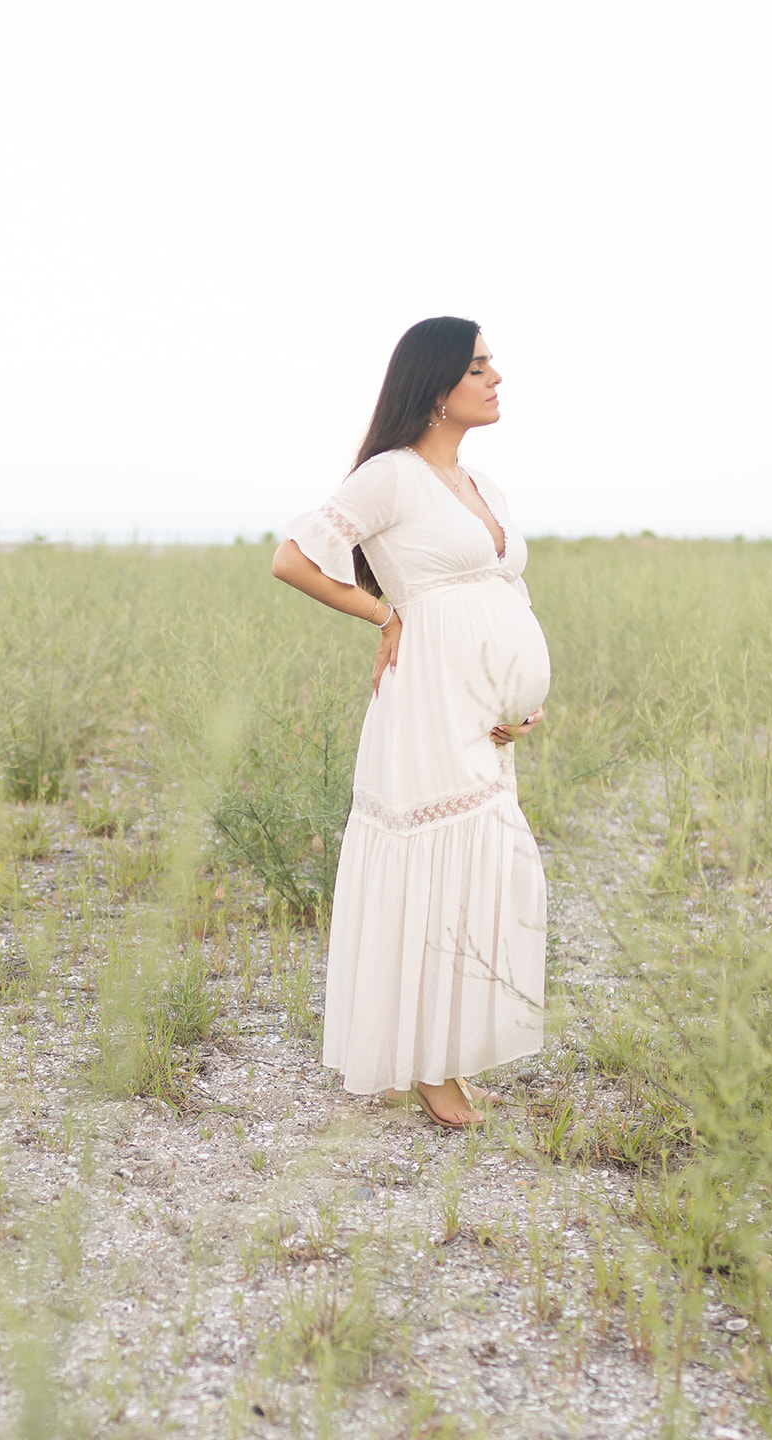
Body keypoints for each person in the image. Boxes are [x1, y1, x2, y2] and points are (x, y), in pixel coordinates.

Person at [271, 317, 550, 1128]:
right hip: (426, 701)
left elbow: (507, 594)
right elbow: (294, 556)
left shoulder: (482, 485)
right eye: (477, 365)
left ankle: (442, 1053)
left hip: (483, 714)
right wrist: (382, 616)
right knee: (441, 866)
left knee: (491, 869)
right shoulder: (390, 476)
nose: (495, 377)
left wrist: (523, 695)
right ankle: (430, 1070)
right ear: (433, 387)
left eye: (492, 363)